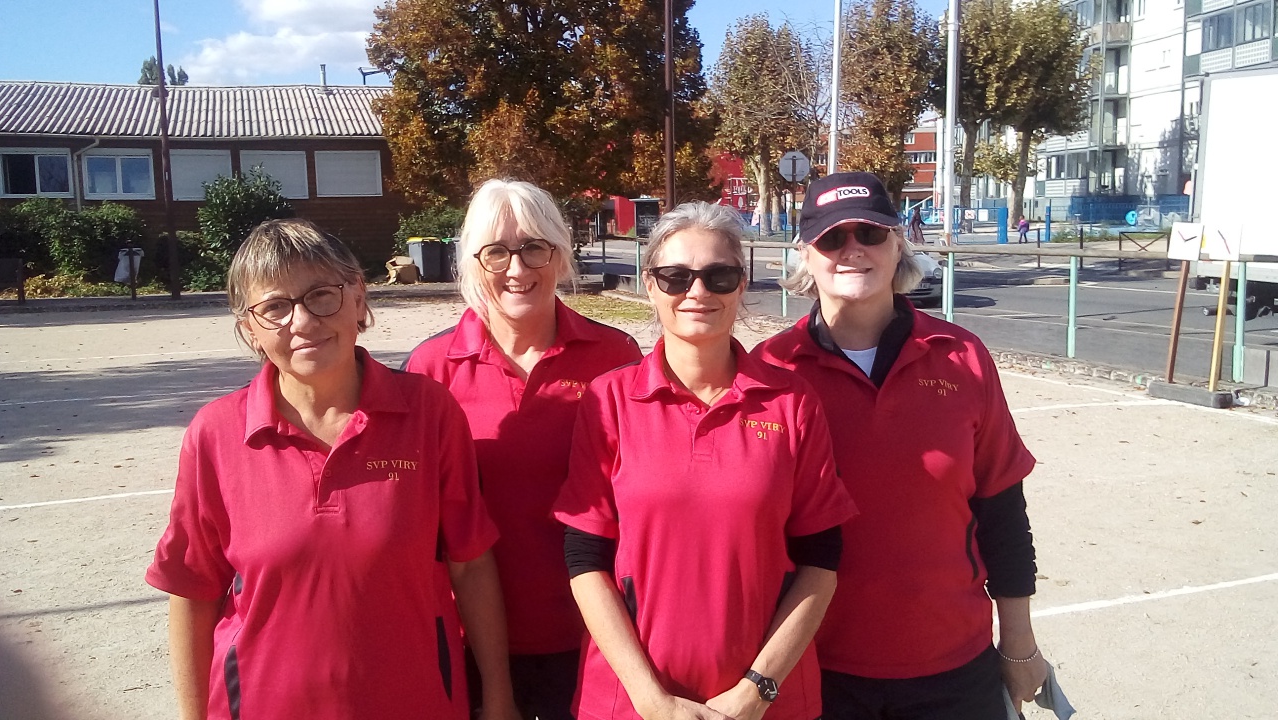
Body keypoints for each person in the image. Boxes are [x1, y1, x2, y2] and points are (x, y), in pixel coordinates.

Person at [146, 219, 517, 720]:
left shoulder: (429, 412)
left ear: (359, 298)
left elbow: (470, 565)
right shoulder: (216, 433)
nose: (301, 322)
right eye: (274, 307)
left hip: (417, 703)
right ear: (249, 329)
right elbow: (192, 591)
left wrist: (498, 701)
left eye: (321, 295)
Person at [754, 172, 1049, 720]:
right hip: (814, 669)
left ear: (898, 244)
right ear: (806, 255)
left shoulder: (961, 356)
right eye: (832, 238)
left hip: (953, 668)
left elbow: (1003, 513)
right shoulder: (771, 371)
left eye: (870, 233)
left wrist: (1019, 643)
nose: (853, 250)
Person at [554, 202, 856, 720]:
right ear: (650, 285)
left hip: (764, 702)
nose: (697, 292)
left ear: (741, 285)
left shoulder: (791, 401)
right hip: (633, 702)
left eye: (718, 276)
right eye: (676, 277)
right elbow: (586, 561)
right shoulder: (608, 402)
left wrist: (756, 690)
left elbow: (821, 560)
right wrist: (651, 700)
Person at [403, 179, 642, 720]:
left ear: (559, 254)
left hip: (593, 634)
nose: (517, 268)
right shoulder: (430, 369)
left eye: (535, 246)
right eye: (496, 252)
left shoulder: (615, 355)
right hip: (470, 640)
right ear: (471, 262)